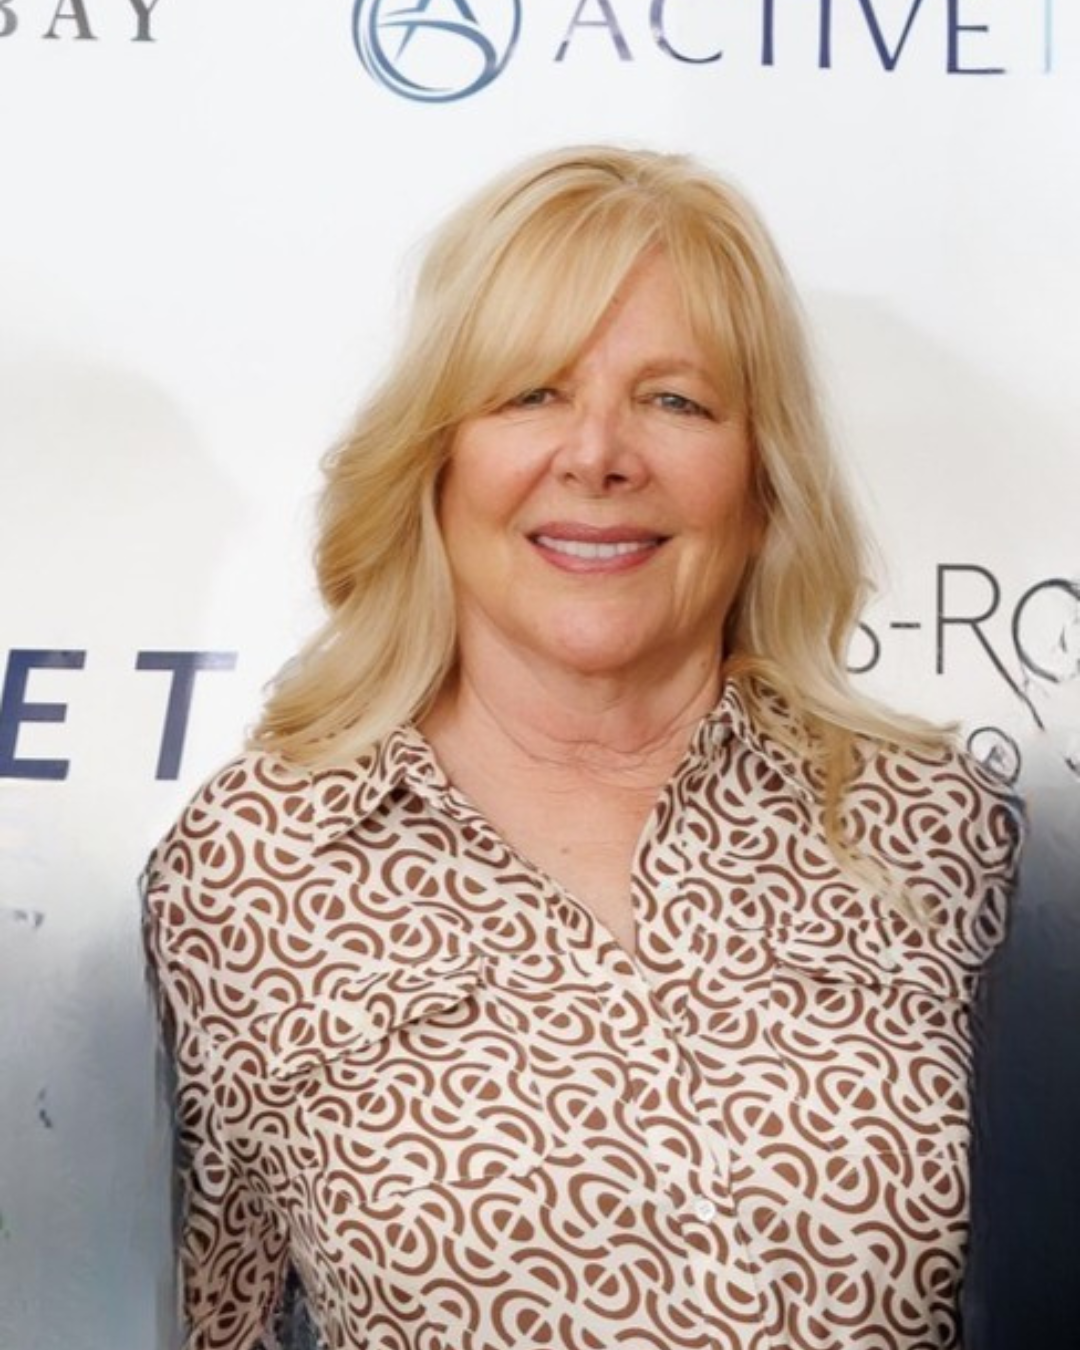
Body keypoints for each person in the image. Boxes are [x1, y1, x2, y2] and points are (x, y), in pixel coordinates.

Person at [144, 145, 1022, 1350]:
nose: (599, 453)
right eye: (532, 394)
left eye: (676, 401)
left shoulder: (927, 825)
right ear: (436, 458)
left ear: (761, 479)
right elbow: (221, 1317)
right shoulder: (251, 868)